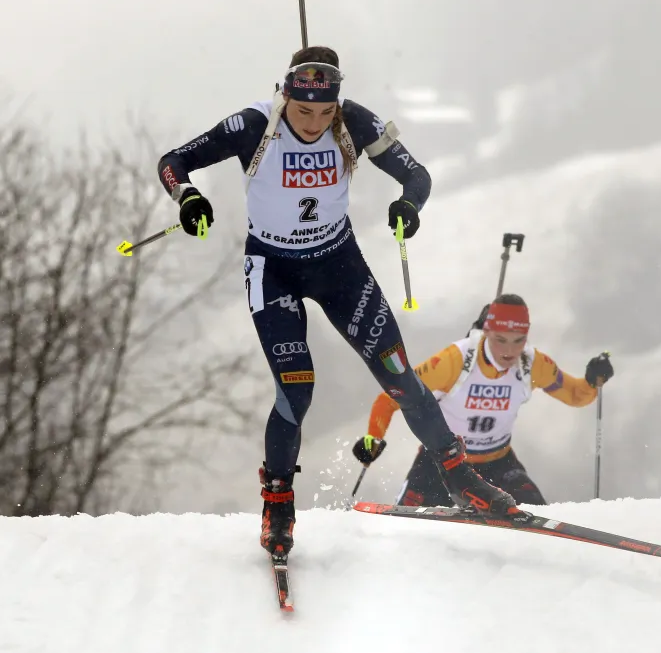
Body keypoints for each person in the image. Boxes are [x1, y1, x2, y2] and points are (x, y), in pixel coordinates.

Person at [156, 46, 521, 557]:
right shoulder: (253, 125)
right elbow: (173, 162)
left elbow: (418, 176)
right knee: (296, 392)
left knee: (401, 377)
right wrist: (188, 196)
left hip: (338, 266)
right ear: (285, 96)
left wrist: (407, 206)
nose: (313, 123)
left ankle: (463, 481)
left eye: (324, 113)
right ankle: (278, 503)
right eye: (303, 111)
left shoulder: (353, 122)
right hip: (273, 269)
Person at [352, 294, 615, 506]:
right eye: (501, 340)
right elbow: (390, 398)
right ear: (486, 332)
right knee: (408, 533)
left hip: (498, 463)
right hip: (441, 463)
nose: (510, 351)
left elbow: (575, 395)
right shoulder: (455, 360)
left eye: (518, 340)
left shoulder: (532, 364)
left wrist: (593, 381)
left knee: (533, 517)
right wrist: (373, 438)